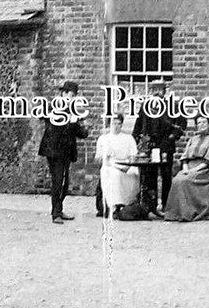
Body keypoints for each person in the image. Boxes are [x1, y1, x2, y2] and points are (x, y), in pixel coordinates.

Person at [38, 80, 88, 224]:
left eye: (73, 95)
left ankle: (59, 209)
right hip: (53, 150)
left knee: (65, 183)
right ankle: (56, 213)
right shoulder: (53, 107)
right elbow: (46, 118)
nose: (70, 98)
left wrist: (84, 129)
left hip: (66, 151)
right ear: (63, 93)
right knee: (58, 181)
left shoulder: (72, 111)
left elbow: (79, 132)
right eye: (68, 94)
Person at [131, 79, 186, 212]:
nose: (156, 93)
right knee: (150, 176)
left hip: (166, 145)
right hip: (150, 146)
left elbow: (182, 124)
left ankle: (167, 205)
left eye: (159, 90)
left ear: (164, 91)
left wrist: (172, 137)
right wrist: (137, 141)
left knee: (166, 175)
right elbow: (139, 125)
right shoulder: (145, 106)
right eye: (153, 90)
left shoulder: (172, 106)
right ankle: (151, 205)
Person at [164, 115, 209, 222]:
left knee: (184, 180)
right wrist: (186, 168)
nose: (202, 125)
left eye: (204, 122)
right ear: (196, 126)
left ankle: (191, 211)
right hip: (189, 167)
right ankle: (175, 213)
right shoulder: (192, 139)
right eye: (199, 123)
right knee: (176, 180)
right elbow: (185, 158)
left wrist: (193, 170)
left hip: (205, 170)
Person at [95, 113, 140, 218]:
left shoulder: (128, 138)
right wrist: (105, 156)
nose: (116, 126)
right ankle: (113, 205)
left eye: (118, 123)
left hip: (126, 164)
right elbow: (98, 159)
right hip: (110, 164)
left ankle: (128, 203)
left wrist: (128, 165)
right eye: (113, 123)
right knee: (113, 174)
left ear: (121, 125)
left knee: (133, 173)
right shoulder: (103, 138)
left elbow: (133, 156)